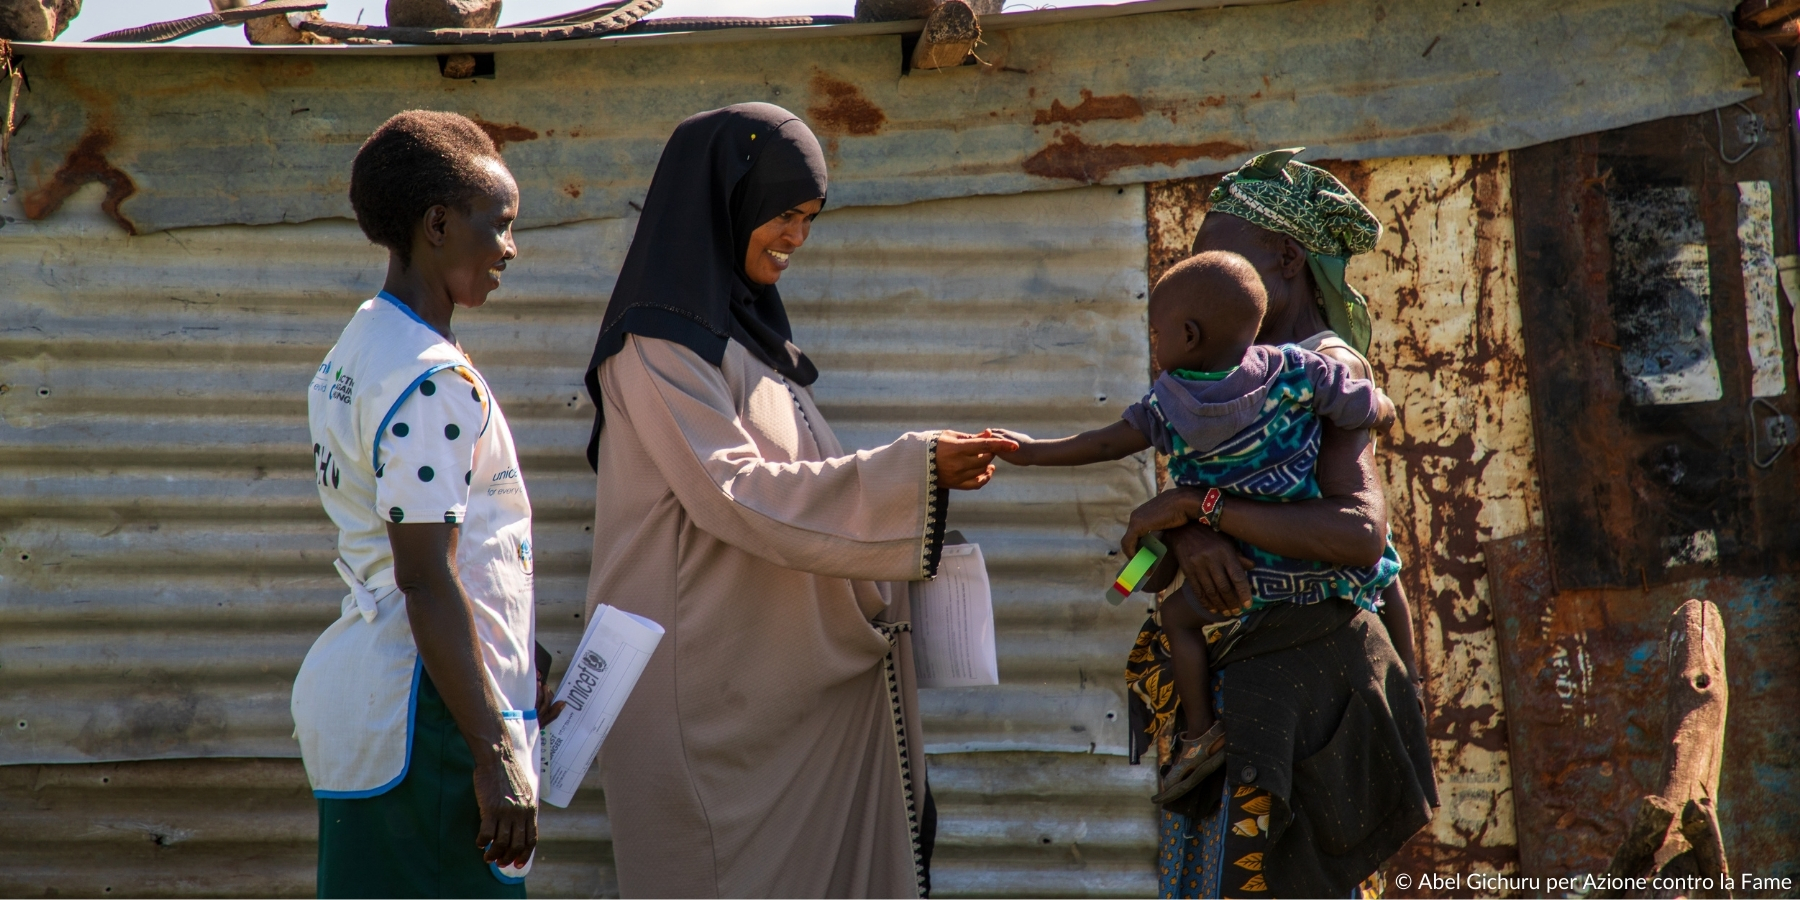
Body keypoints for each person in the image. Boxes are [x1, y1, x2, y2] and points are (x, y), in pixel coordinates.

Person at [579, 102, 1018, 898]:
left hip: (777, 701)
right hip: (714, 716)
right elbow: (735, 494)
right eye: (784, 215)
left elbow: (790, 486)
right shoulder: (657, 345)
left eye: (810, 219)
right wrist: (914, 470)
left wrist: (918, 483)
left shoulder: (745, 345)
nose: (797, 239)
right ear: (728, 202)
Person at [1120, 149, 1437, 899]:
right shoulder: (1220, 384)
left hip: (1308, 696)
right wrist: (1182, 533)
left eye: (1223, 260)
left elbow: (1359, 534)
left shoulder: (1324, 373)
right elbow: (1147, 567)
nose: (1206, 279)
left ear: (1287, 258)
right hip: (1238, 705)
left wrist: (1203, 511)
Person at [991, 251, 1397, 807]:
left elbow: (1105, 443)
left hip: (1250, 582)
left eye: (1156, 333)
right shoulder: (1302, 372)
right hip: (1308, 572)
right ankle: (1131, 582)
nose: (1154, 346)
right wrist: (1380, 409)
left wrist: (1032, 453)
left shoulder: (1169, 403)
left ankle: (1200, 732)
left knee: (1174, 614)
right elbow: (1370, 409)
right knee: (1384, 570)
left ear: (1185, 334)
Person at [291, 110, 560, 898]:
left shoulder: (361, 347)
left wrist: (514, 652)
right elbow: (424, 579)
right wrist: (494, 757)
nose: (511, 249)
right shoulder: (430, 377)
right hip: (431, 726)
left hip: (386, 712)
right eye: (499, 226)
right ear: (437, 223)